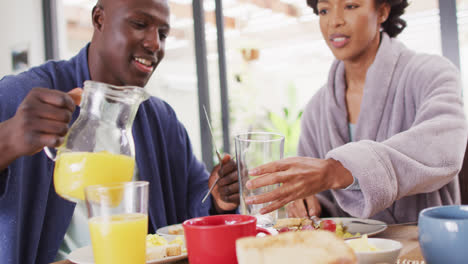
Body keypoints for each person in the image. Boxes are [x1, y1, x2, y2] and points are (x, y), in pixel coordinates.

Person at [0, 0, 239, 263]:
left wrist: (218, 199)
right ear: (99, 19)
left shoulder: (161, 119)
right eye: (140, 24)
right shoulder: (22, 97)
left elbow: (196, 200)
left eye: (163, 34)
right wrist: (9, 139)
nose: (154, 44)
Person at [244, 0, 467, 223]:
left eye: (350, 6)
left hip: (424, 247)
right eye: (324, 10)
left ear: (381, 12)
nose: (335, 20)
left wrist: (336, 171)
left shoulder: (432, 73)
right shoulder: (317, 109)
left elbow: (444, 148)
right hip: (350, 253)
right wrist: (311, 204)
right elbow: (322, 196)